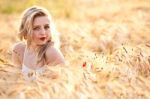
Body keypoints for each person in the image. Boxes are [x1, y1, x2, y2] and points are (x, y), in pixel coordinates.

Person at [12, 6, 65, 80]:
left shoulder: (51, 53)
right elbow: (14, 80)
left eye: (46, 27)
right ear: (26, 31)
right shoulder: (18, 50)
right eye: (36, 28)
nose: (43, 32)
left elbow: (61, 85)